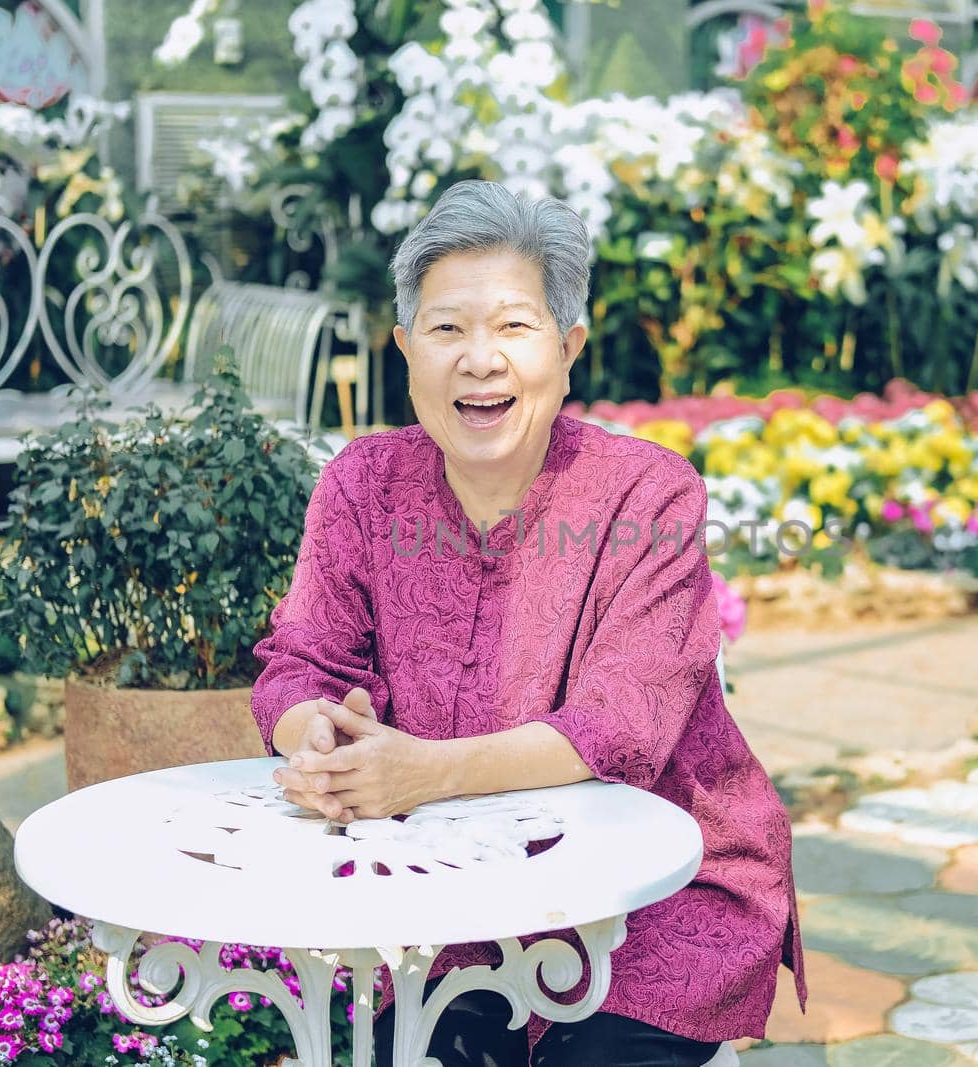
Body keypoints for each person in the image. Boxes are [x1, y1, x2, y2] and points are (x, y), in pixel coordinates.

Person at [252, 179, 805, 1066]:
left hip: (656, 898)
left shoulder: (647, 493)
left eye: (514, 325)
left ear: (568, 347)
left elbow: (622, 724)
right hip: (450, 894)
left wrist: (421, 773)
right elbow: (300, 661)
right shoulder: (360, 483)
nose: (480, 359)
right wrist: (315, 737)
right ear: (404, 348)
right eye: (447, 329)